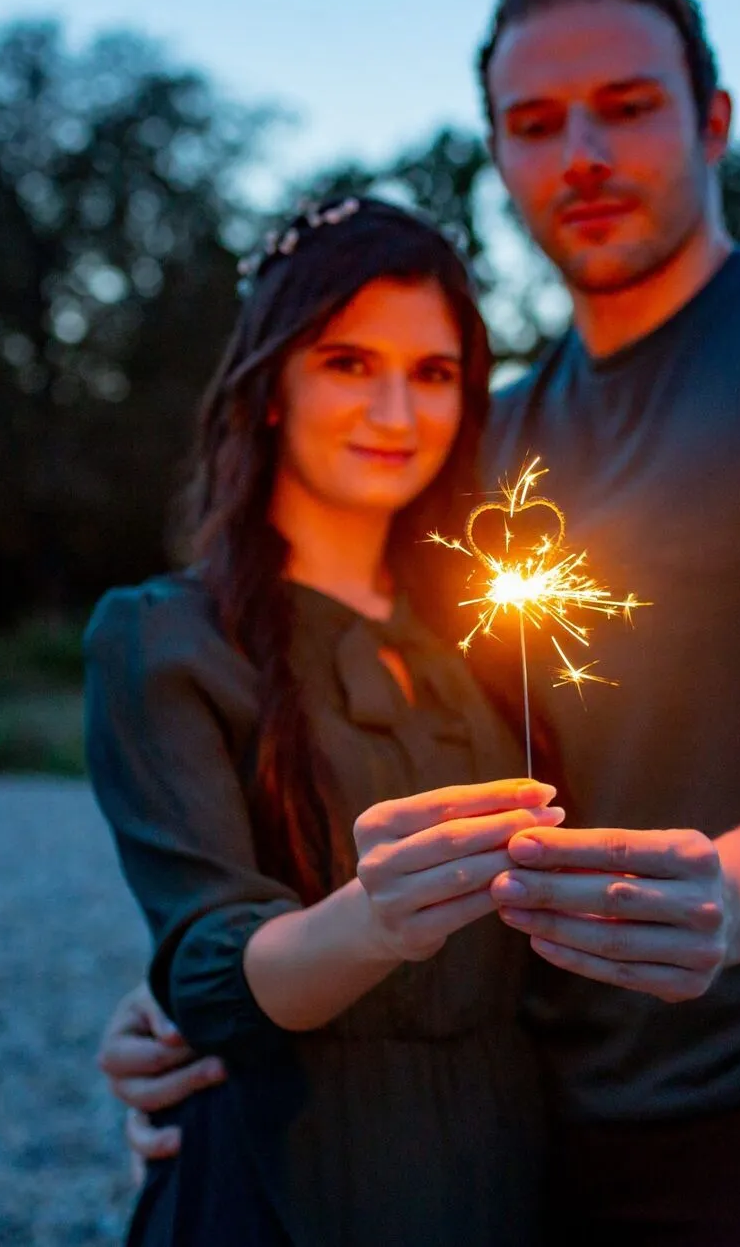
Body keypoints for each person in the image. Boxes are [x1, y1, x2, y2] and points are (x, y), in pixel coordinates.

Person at [103, 0, 740, 1243]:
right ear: (499, 157)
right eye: (535, 122)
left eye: (626, 109)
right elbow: (354, 735)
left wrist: (738, 893)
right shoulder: (487, 441)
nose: (580, 154)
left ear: (712, 121)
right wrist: (206, 981)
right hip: (525, 1112)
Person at [85, 197, 559, 1246]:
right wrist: (373, 920)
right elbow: (206, 956)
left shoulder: (491, 637)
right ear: (267, 389)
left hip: (510, 1168)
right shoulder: (163, 638)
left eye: (432, 372)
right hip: (285, 1179)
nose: (395, 411)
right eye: (348, 362)